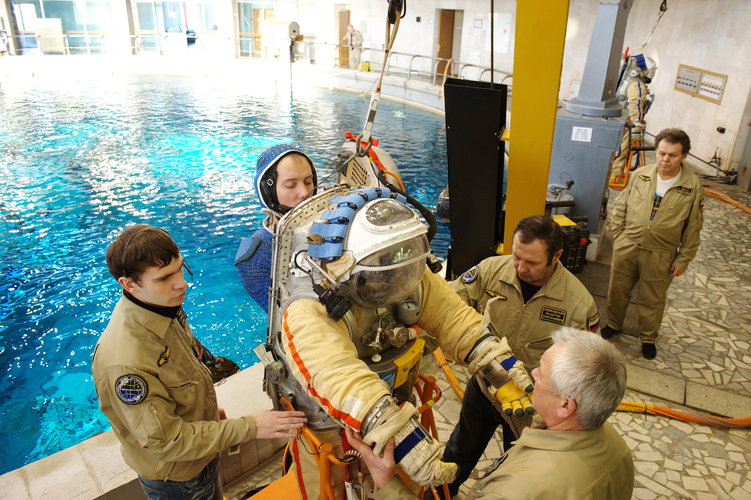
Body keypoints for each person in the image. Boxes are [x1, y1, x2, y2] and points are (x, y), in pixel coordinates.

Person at [264, 187, 534, 498]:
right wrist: (400, 433)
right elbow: (335, 371)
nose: (394, 283)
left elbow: (451, 316)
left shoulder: (398, 269)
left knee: (405, 481)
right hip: (328, 419)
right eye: (379, 275)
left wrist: (493, 361)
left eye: (400, 268)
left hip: (395, 403)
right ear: (344, 268)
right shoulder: (309, 305)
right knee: (327, 486)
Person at [92, 224, 307, 500]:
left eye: (180, 267)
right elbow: (168, 441)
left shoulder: (160, 306)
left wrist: (207, 411)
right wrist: (252, 426)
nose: (181, 282)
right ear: (129, 284)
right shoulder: (126, 364)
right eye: (164, 277)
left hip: (202, 456)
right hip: (177, 478)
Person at [346, 327, 634, 500]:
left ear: (566, 406)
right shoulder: (617, 448)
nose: (532, 373)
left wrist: (386, 481)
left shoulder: (516, 490)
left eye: (541, 373)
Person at [440, 215, 600, 498]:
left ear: (557, 256)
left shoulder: (578, 304)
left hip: (532, 406)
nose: (520, 268)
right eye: (516, 256)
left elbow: (585, 373)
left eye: (532, 263)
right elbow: (448, 303)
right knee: (458, 451)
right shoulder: (491, 270)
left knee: (519, 469)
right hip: (486, 387)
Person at [603, 128, 704, 360]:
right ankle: (613, 325)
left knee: (653, 299)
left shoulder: (692, 186)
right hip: (628, 245)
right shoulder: (641, 174)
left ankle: (648, 338)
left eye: (672, 155)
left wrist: (683, 259)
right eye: (661, 153)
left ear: (684, 156)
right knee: (617, 290)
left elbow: (693, 227)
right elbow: (621, 205)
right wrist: (618, 235)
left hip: (661, 253)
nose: (665, 160)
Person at [235, 144, 317, 312]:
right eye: (290, 185)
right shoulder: (255, 257)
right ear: (267, 191)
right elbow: (281, 316)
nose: (304, 193)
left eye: (308, 182)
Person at [609, 54, 654, 184]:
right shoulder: (637, 85)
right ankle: (614, 175)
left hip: (620, 121)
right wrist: (637, 127)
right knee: (621, 151)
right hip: (628, 124)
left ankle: (613, 174)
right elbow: (636, 105)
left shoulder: (626, 82)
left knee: (617, 150)